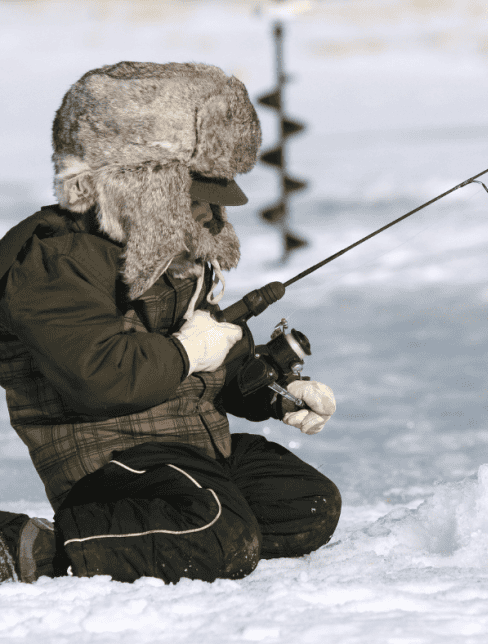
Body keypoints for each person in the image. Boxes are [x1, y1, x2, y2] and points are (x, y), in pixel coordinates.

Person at [0, 61, 341, 584]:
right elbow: (100, 377)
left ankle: (160, 533)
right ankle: (34, 545)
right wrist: (186, 352)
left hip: (190, 446)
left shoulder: (169, 253)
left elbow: (218, 358)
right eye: (202, 200)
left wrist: (275, 392)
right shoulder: (55, 262)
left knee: (305, 504)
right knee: (221, 535)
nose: (216, 219)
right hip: (111, 461)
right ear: (144, 190)